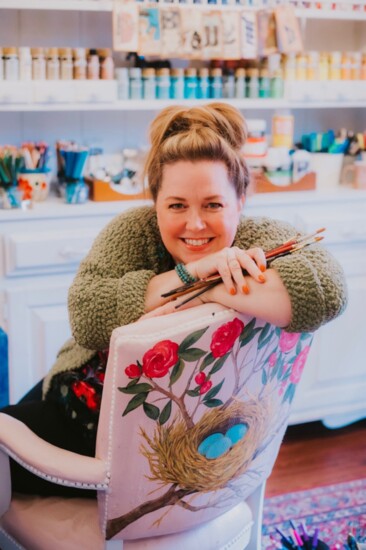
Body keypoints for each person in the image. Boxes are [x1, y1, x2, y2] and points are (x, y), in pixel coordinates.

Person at [0, 102, 347, 498]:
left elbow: (327, 292)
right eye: (177, 205)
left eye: (213, 204)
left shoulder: (259, 235)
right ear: (156, 204)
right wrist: (194, 271)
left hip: (104, 444)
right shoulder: (135, 230)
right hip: (72, 399)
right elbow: (87, 316)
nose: (195, 224)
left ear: (241, 202)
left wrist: (207, 284)